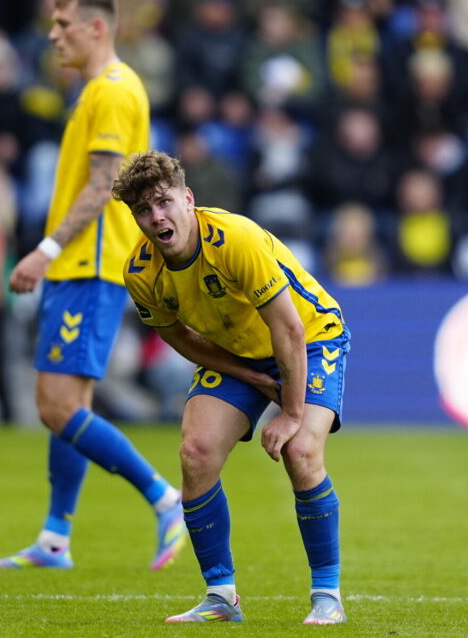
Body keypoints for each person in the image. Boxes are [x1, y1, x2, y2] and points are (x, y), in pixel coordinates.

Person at [0, 0, 185, 571]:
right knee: (68, 404)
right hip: (85, 267)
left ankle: (166, 498)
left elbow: (103, 188)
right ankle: (55, 539)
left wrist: (43, 251)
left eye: (64, 24)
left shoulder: (114, 92)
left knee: (54, 406)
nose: (53, 34)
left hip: (89, 266)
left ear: (97, 28)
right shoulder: (102, 90)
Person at [113, 151, 351, 625]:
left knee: (300, 451)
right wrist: (249, 376)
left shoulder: (235, 239)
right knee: (195, 453)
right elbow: (177, 335)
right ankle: (221, 596)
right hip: (239, 351)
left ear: (188, 198)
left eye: (163, 202)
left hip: (311, 336)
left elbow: (289, 331)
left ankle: (328, 595)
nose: (156, 217)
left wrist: (289, 411)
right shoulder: (140, 273)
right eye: (143, 210)